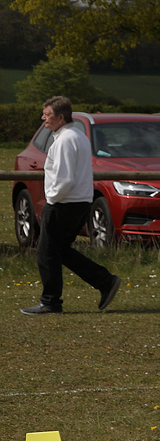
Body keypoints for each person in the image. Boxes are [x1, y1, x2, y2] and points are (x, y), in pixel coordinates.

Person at [23, 97, 121, 316]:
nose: (43, 118)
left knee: (46, 253)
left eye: (47, 114)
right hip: (77, 203)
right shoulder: (78, 136)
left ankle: (51, 303)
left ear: (60, 117)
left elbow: (64, 178)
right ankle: (105, 281)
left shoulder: (66, 140)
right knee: (60, 250)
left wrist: (52, 198)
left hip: (64, 204)